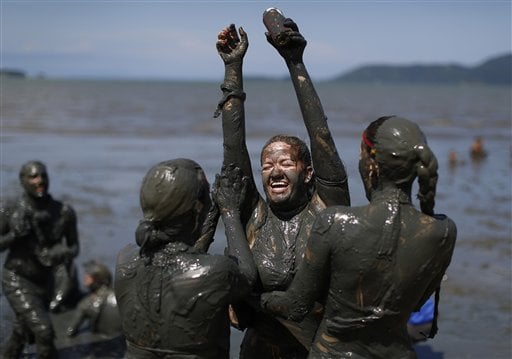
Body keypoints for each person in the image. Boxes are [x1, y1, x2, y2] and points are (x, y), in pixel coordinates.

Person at [261, 116, 457, 358]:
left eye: (361, 156)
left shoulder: (334, 223)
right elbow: (416, 304)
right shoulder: (444, 231)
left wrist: (258, 298)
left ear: (372, 165)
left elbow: (296, 306)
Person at [215, 13, 350, 358]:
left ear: (307, 173)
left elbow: (320, 135)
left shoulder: (326, 207)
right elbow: (234, 149)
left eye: (286, 163)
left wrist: (295, 62)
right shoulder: (255, 215)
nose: (274, 171)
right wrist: (233, 68)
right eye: (267, 165)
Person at [114, 159, 257, 359]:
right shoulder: (216, 271)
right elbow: (247, 276)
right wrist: (230, 211)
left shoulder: (124, 259)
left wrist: (212, 212)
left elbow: (185, 257)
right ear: (198, 207)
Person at [1, 160, 80, 358]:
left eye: (43, 175)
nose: (40, 181)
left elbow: (74, 247)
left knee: (22, 331)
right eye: (33, 176)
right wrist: (14, 236)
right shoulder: (10, 210)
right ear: (22, 181)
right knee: (44, 331)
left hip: (46, 281)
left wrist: (58, 253)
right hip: (16, 278)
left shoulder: (64, 212)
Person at [66, 260, 122, 338]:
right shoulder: (122, 296)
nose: (84, 278)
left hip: (101, 340)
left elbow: (70, 332)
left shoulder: (85, 304)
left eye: (87, 276)